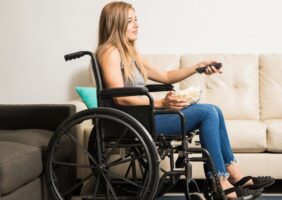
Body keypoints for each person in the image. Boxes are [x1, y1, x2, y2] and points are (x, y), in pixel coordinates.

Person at [95, 1, 274, 199]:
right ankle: (221, 181)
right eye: (130, 21)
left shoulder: (130, 53)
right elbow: (120, 98)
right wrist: (162, 103)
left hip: (144, 116)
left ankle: (234, 174)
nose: (136, 24)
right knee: (207, 113)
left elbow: (165, 75)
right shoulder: (109, 51)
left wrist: (198, 67)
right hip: (133, 121)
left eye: (136, 19)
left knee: (214, 109)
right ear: (115, 24)